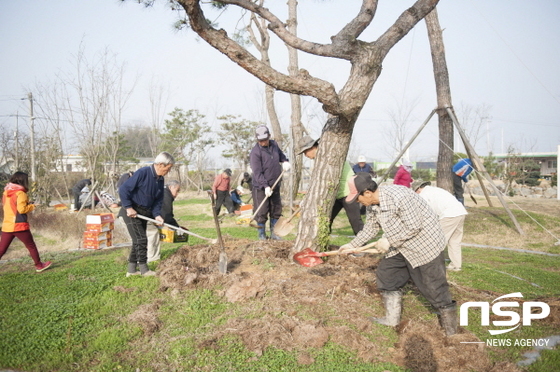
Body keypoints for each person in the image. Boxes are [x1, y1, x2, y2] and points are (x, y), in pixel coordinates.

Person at [339, 173, 457, 336]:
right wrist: (353, 245)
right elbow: (371, 228)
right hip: (400, 246)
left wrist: (388, 240)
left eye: (357, 198)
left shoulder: (400, 196)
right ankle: (391, 319)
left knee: (434, 287)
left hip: (424, 245)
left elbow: (414, 226)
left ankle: (451, 331)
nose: (357, 202)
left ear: (367, 192)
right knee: (387, 275)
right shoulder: (372, 204)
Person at [119, 152, 175, 277]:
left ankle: (132, 270)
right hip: (132, 212)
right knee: (141, 239)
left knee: (137, 241)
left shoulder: (160, 179)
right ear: (161, 165)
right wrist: (128, 207)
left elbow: (158, 200)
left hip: (145, 212)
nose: (168, 171)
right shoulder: (143, 173)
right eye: (168, 168)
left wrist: (157, 215)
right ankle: (144, 270)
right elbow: (123, 189)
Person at [298, 136, 364, 235]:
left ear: (312, 148)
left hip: (348, 192)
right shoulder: (318, 160)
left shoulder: (328, 156)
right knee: (325, 220)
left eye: (305, 152)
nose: (305, 155)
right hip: (335, 195)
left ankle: (362, 246)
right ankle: (323, 244)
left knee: (355, 221)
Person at [0, 172, 52, 273]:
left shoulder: (6, 193)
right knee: (31, 246)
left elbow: (12, 207)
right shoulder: (21, 193)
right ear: (23, 181)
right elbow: (21, 210)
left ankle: (39, 265)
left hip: (7, 225)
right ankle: (39, 265)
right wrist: (33, 206)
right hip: (19, 226)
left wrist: (27, 203)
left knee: (2, 249)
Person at [412, 181, 468, 271]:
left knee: (437, 241)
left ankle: (432, 264)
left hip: (449, 215)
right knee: (455, 241)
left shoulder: (423, 195)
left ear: (418, 189)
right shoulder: (435, 190)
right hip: (460, 212)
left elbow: (427, 214)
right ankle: (456, 265)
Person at [249, 125, 290, 240]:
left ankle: (275, 234)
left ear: (269, 136)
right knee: (262, 212)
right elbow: (257, 173)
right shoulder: (255, 153)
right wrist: (265, 186)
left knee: (276, 209)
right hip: (261, 188)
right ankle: (261, 235)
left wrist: (285, 161)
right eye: (260, 141)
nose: (263, 142)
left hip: (275, 184)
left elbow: (281, 155)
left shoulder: (274, 145)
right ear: (257, 140)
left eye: (265, 140)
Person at [147, 180, 182, 263]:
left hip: (148, 214)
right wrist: (177, 228)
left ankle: (145, 257)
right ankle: (152, 259)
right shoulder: (166, 195)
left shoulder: (163, 191)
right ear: (171, 187)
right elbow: (166, 214)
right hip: (146, 215)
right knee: (153, 234)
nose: (177, 194)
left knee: (146, 237)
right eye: (177, 191)